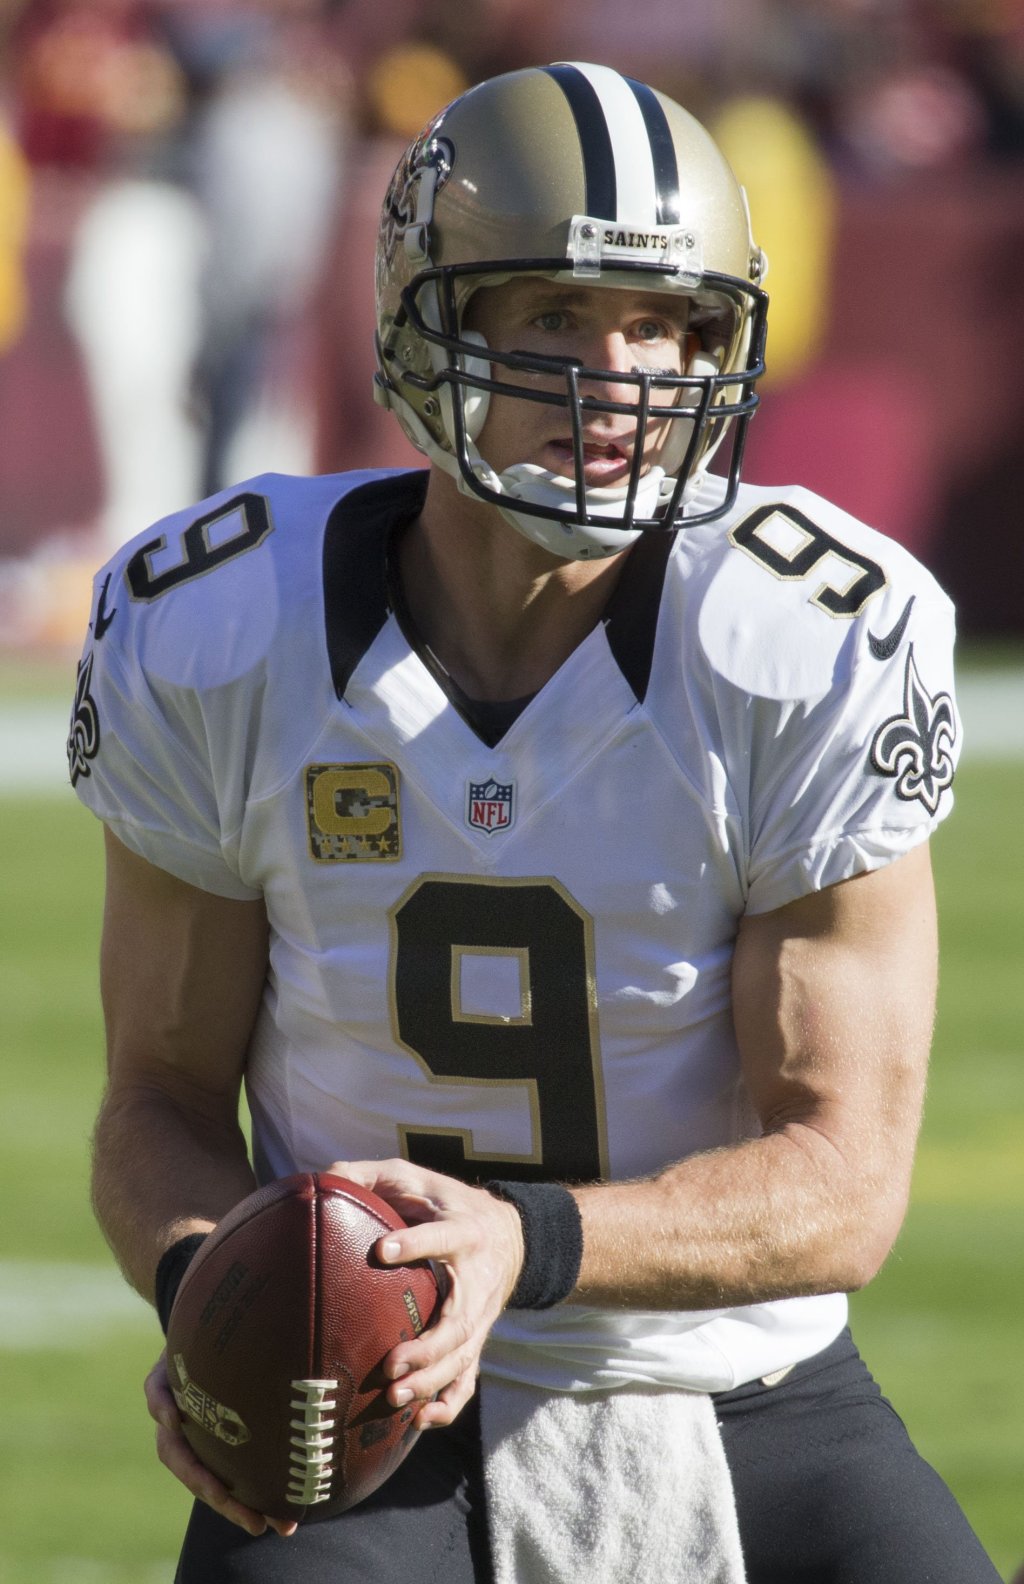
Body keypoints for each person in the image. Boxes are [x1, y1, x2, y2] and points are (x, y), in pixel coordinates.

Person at [67, 60, 999, 1584]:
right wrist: (219, 1295)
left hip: (742, 1386)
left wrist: (524, 1240)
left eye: (670, 326)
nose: (621, 375)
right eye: (556, 315)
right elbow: (154, 1100)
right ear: (431, 318)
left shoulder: (806, 635)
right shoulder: (221, 626)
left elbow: (842, 1179)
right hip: (369, 1404)